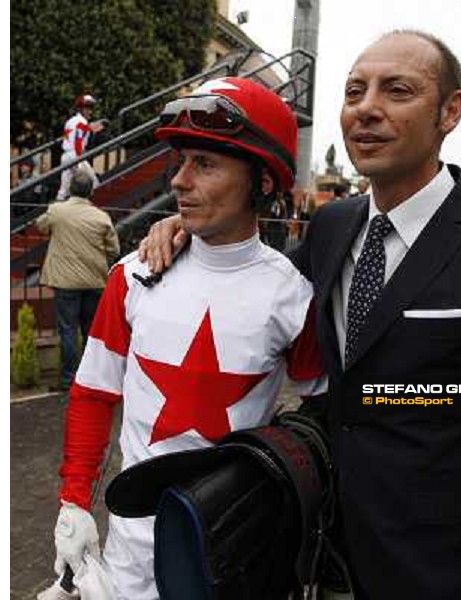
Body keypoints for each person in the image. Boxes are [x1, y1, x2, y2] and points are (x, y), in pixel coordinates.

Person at [139, 31, 461, 600]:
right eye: (354, 92)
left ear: (450, 111)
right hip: (325, 552)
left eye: (397, 90)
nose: (367, 107)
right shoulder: (331, 228)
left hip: (442, 572)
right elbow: (259, 282)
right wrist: (191, 228)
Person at [47, 77, 327, 600]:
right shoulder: (131, 274)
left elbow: (320, 412)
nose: (179, 180)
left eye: (205, 164)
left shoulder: (295, 298)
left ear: (263, 182)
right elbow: (93, 392)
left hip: (231, 556)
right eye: (181, 162)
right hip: (126, 554)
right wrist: (73, 502)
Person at [36, 169, 119, 391]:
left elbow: (40, 226)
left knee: (68, 330)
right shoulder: (101, 217)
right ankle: (93, 378)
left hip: (66, 282)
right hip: (94, 280)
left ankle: (68, 379)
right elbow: (114, 250)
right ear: (90, 191)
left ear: (71, 189)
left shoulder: (57, 211)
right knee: (92, 332)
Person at [56, 94, 105, 201]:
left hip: (66, 156)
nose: (90, 111)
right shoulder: (82, 122)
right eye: (87, 108)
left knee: (63, 190)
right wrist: (79, 159)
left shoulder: (70, 121)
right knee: (93, 183)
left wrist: (89, 128)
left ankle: (55, 211)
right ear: (80, 109)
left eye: (90, 108)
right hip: (76, 156)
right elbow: (78, 140)